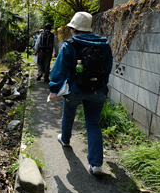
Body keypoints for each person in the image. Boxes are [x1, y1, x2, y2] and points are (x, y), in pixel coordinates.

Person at [48, 12, 113, 175]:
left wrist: (53, 90)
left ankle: (65, 139)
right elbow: (108, 68)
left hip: (74, 91)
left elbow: (59, 69)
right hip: (97, 91)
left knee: (68, 115)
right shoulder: (104, 44)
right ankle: (96, 164)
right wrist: (101, 84)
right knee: (93, 124)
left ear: (74, 29)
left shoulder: (70, 45)